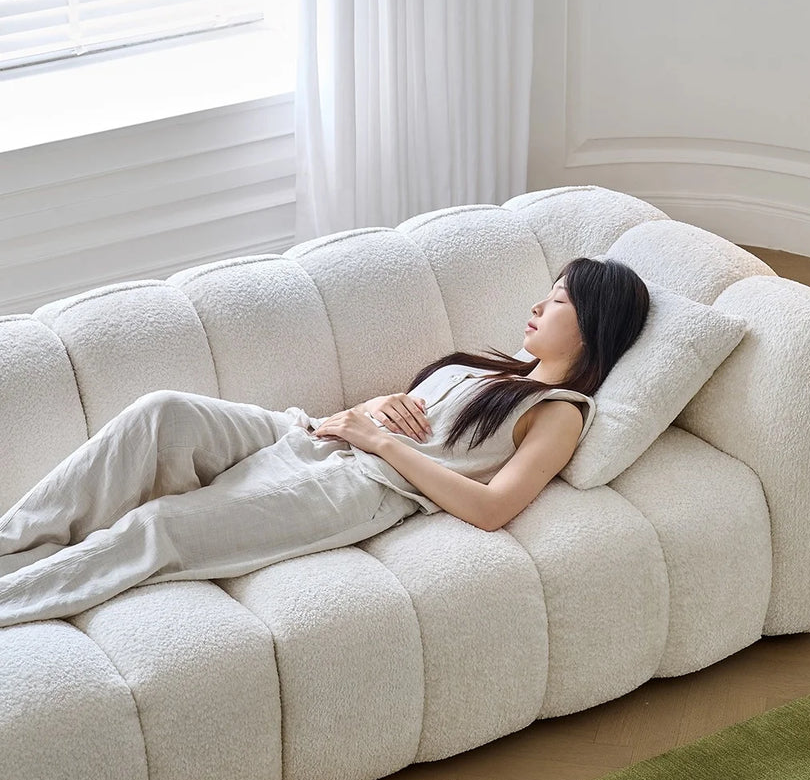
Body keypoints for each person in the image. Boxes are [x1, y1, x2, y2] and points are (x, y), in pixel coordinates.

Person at [0, 257, 649, 627]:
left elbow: (493, 508)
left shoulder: (560, 411)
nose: (538, 307)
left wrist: (380, 442)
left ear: (592, 327)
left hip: (357, 485)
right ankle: (10, 544)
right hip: (312, 433)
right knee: (160, 414)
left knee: (160, 527)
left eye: (557, 301)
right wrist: (368, 411)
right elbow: (410, 415)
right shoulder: (501, 368)